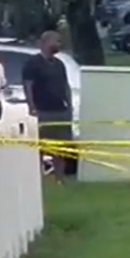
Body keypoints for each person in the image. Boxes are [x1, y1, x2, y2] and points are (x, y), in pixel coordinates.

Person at [22, 31, 76, 182]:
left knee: (60, 147)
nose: (59, 44)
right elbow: (28, 85)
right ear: (46, 43)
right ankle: (38, 178)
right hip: (42, 110)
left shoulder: (59, 64)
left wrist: (69, 106)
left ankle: (60, 178)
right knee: (40, 145)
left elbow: (65, 86)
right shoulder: (33, 63)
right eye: (56, 41)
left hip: (60, 110)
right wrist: (32, 107)